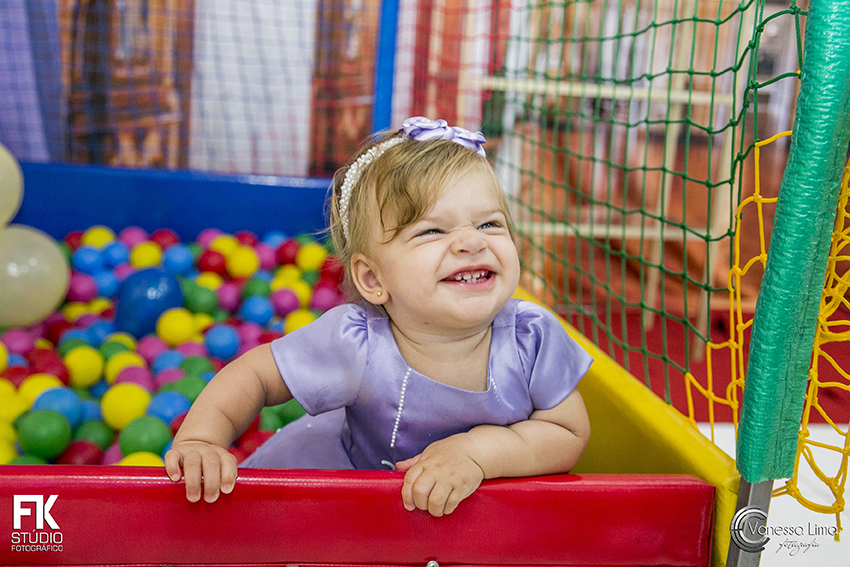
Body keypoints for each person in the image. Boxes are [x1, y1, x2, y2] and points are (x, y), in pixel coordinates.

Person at [164, 116, 593, 517]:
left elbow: (568, 433)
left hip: (478, 518)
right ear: (372, 278)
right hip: (351, 496)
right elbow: (255, 375)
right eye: (432, 231)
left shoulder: (530, 338)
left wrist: (477, 452)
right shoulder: (357, 343)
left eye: (489, 225)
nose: (470, 242)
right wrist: (203, 438)